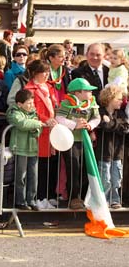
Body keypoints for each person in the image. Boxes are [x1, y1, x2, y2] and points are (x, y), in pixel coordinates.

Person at [56, 78, 100, 210]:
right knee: (73, 168)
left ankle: (85, 197)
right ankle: (73, 197)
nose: (90, 93)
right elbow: (59, 118)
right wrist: (75, 125)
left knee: (85, 168)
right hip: (70, 140)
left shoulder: (91, 103)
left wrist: (90, 125)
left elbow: (96, 117)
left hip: (85, 140)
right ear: (77, 93)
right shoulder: (66, 103)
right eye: (87, 91)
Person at [23, 60, 58, 209]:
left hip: (51, 130)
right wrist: (46, 120)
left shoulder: (49, 87)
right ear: (36, 73)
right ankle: (39, 196)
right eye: (44, 72)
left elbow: (54, 105)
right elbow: (31, 110)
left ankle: (49, 195)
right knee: (40, 166)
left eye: (48, 71)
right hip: (40, 131)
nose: (47, 74)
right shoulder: (29, 89)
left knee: (51, 164)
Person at [6, 89, 44, 211]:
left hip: (32, 148)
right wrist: (36, 124)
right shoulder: (13, 111)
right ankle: (20, 201)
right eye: (28, 103)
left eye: (32, 102)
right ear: (19, 104)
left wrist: (35, 126)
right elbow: (21, 123)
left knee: (33, 176)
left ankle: (31, 200)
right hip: (20, 148)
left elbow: (38, 130)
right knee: (20, 176)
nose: (31, 105)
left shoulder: (33, 113)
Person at [95, 85, 127, 209]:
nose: (121, 101)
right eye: (118, 99)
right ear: (110, 99)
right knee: (105, 178)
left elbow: (125, 128)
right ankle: (104, 200)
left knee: (116, 177)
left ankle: (115, 199)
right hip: (104, 151)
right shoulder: (100, 111)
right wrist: (116, 125)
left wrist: (111, 123)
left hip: (117, 151)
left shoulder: (121, 113)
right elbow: (104, 126)